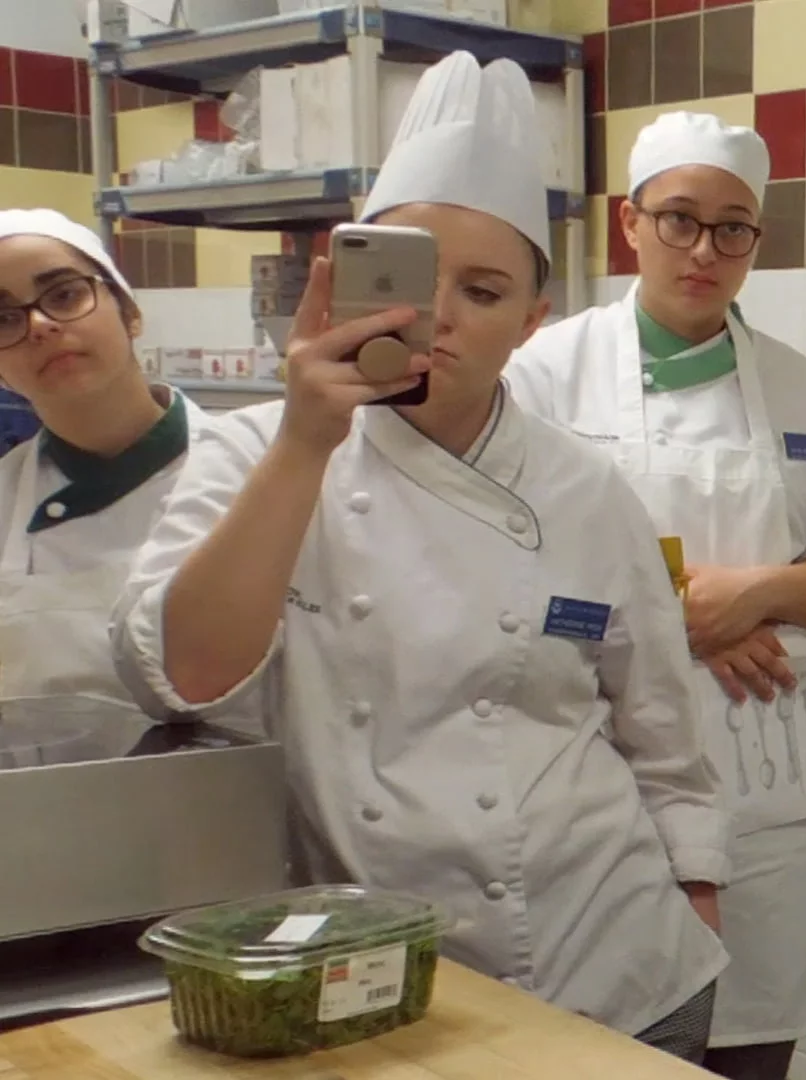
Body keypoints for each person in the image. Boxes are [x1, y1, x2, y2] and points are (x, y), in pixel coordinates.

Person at [109, 53, 729, 1062]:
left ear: (532, 322)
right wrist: (307, 439)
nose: (438, 315)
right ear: (342, 277)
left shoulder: (588, 491)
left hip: (613, 963)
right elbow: (178, 676)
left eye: (484, 292)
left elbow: (661, 727)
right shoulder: (251, 452)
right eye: (406, 278)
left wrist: (698, 903)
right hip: (370, 978)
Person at [506, 111, 806, 1078]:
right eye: (679, 219)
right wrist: (681, 619)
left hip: (776, 792)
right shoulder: (547, 374)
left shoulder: (805, 393)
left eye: (733, 228)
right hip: (605, 781)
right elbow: (506, 556)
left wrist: (756, 594)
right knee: (600, 1049)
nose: (704, 249)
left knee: (755, 1050)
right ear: (629, 222)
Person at [0, 209, 208, 705]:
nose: (40, 325)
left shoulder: (256, 470)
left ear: (130, 312)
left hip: (239, 782)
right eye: (4, 318)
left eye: (65, 294)